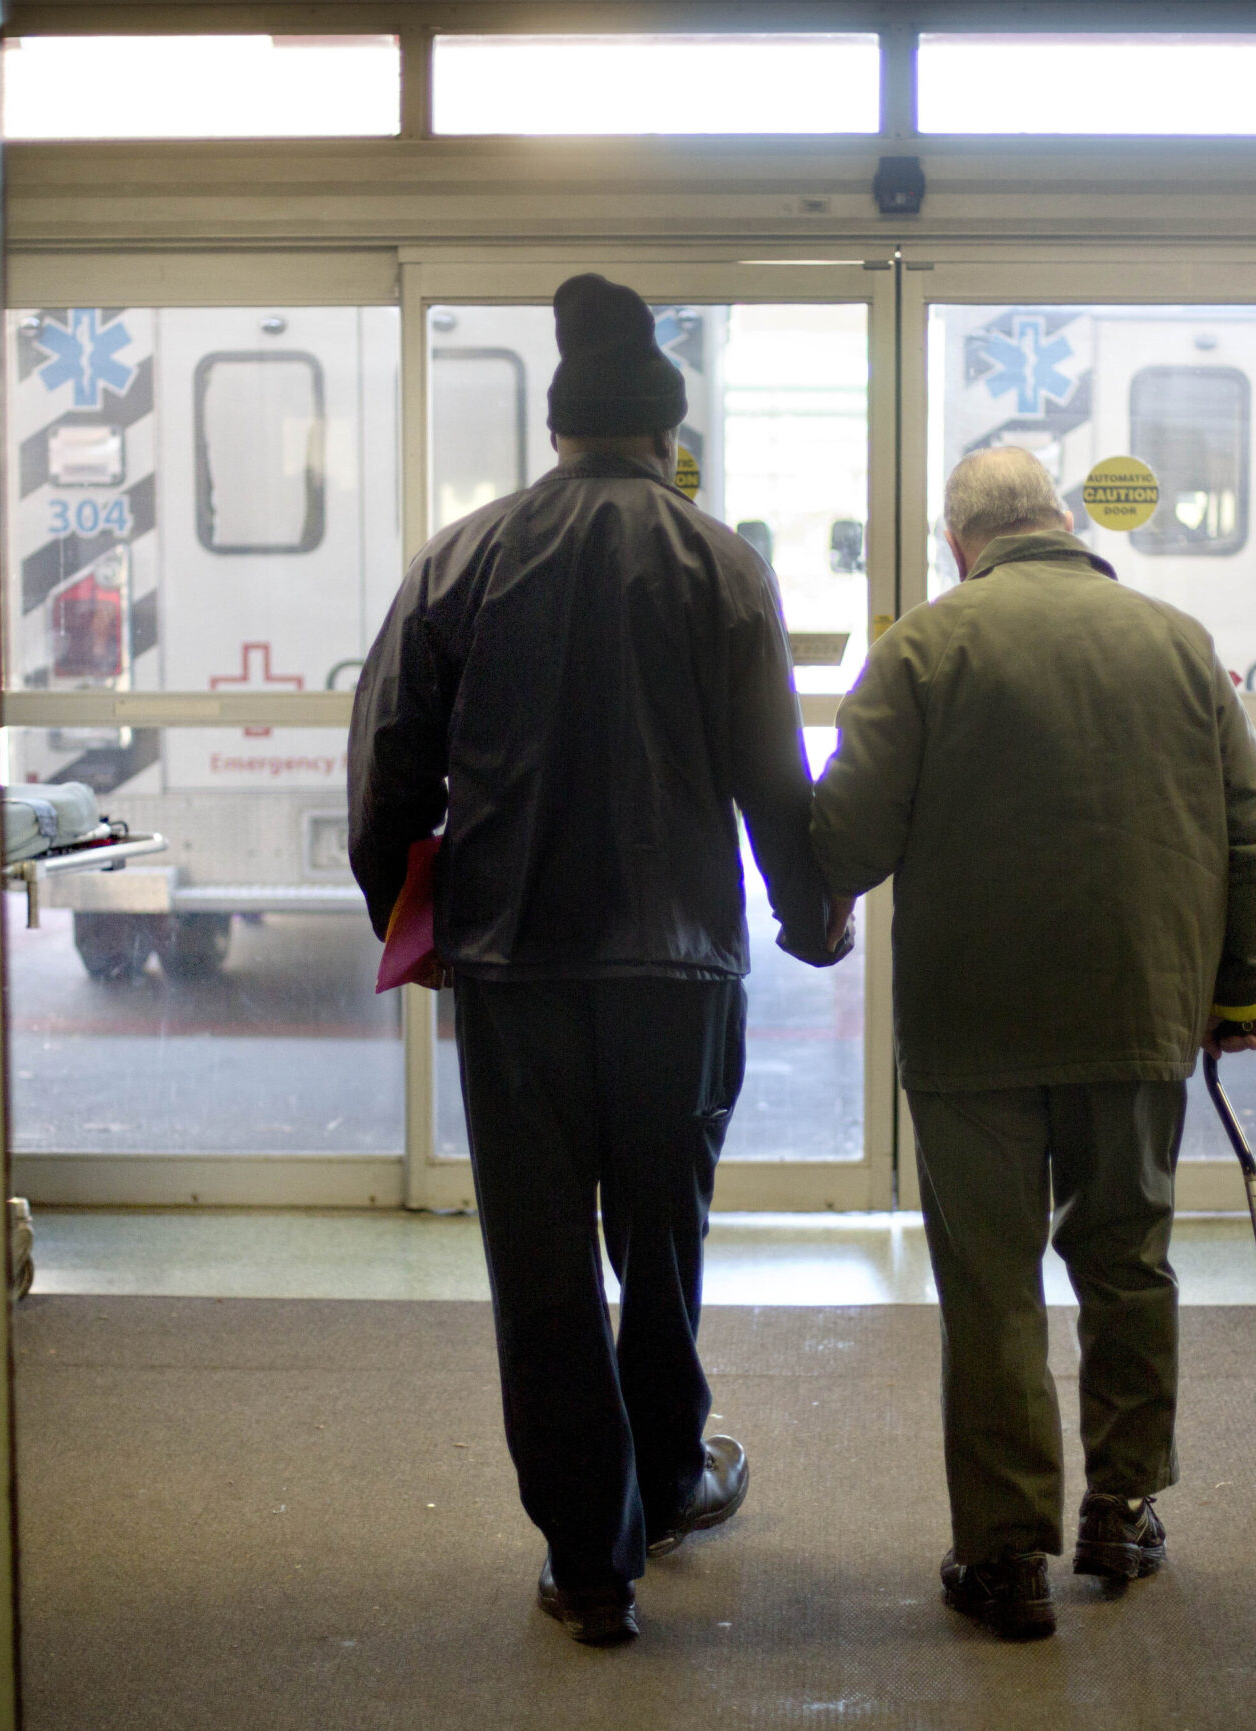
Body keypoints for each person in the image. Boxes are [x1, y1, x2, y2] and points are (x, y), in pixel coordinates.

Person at [347, 274, 851, 1646]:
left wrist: (415, 917)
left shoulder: (463, 558)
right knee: (663, 1237)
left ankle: (589, 1563)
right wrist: (812, 915)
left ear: (561, 433)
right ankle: (675, 1473)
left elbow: (387, 763)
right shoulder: (721, 561)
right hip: (678, 970)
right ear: (663, 436)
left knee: (542, 1262)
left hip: (514, 971)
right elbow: (770, 776)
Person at [810, 445, 1256, 1640]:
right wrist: (1239, 993)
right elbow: (1249, 831)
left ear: (959, 543)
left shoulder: (922, 645)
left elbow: (846, 837)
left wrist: (803, 901)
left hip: (972, 1021)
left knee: (991, 1283)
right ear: (1065, 523)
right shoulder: (1176, 639)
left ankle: (1006, 1557)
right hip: (1137, 1007)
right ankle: (1120, 1511)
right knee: (1127, 1258)